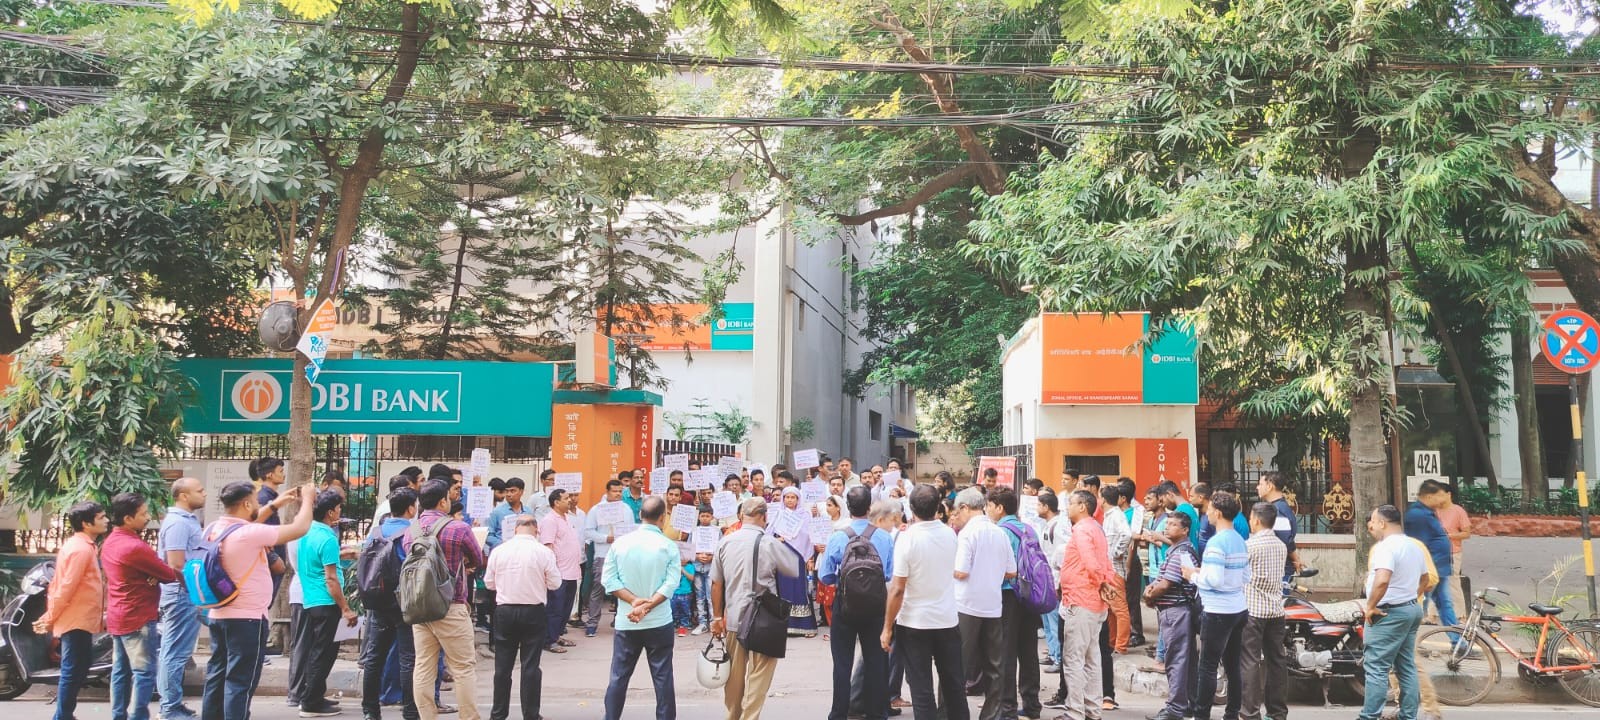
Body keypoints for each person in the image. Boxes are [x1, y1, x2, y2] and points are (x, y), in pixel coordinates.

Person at [201, 483, 315, 720]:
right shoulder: (249, 534)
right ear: (246, 504)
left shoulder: (214, 529)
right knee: (240, 681)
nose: (258, 504)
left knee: (217, 675)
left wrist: (275, 504)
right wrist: (308, 499)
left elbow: (248, 524)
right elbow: (300, 528)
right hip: (247, 619)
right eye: (255, 500)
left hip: (218, 615)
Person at [882, 485, 968, 720]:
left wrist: (887, 627)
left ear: (911, 509)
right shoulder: (949, 534)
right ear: (938, 507)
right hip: (946, 620)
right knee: (954, 686)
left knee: (921, 690)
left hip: (914, 623)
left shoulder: (907, 539)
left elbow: (898, 588)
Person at [711, 498, 802, 720]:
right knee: (759, 675)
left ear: (742, 516)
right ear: (764, 517)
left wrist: (716, 617)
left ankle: (733, 715)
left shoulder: (725, 542)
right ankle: (749, 717)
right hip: (764, 619)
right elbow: (794, 569)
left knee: (734, 676)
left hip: (733, 617)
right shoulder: (770, 543)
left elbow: (716, 584)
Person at [409, 478, 487, 720]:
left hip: (420, 606)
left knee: (424, 666)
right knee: (463, 667)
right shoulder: (458, 528)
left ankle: (427, 716)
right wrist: (464, 562)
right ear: (443, 501)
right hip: (451, 605)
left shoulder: (412, 530)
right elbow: (478, 558)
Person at [818, 487, 897, 720]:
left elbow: (825, 576)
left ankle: (839, 712)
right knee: (875, 661)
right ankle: (876, 712)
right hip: (875, 605)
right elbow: (888, 574)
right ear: (870, 507)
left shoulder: (838, 536)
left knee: (842, 662)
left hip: (845, 605)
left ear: (848, 508)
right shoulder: (884, 537)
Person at [600, 496, 680, 720]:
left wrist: (634, 602)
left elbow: (609, 581)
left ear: (640, 515)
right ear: (663, 518)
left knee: (619, 677)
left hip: (627, 620)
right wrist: (648, 605)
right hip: (659, 621)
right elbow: (671, 583)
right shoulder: (668, 546)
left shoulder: (620, 544)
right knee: (663, 677)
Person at [103, 493, 176, 720]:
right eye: (143, 514)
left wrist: (151, 576)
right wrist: (152, 576)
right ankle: (138, 716)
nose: (147, 518)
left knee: (120, 671)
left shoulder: (110, 542)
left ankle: (118, 715)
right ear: (127, 518)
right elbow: (168, 574)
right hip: (138, 615)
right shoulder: (134, 546)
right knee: (144, 672)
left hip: (118, 614)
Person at [484, 515, 561, 720]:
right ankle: (531, 714)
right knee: (530, 666)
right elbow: (555, 583)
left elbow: (489, 583)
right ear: (536, 530)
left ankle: (498, 714)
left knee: (502, 666)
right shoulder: (543, 552)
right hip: (533, 611)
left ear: (515, 529)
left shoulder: (499, 551)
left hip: (505, 610)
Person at [36, 501, 107, 720]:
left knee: (79, 667)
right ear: (86, 523)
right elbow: (66, 587)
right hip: (76, 619)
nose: (106, 520)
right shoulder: (80, 549)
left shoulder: (83, 546)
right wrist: (50, 617)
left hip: (80, 618)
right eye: (101, 517)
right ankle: (62, 716)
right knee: (73, 668)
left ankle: (64, 715)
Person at [1050, 489, 1116, 720]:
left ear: (1082, 507)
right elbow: (1105, 561)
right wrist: (1105, 583)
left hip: (1081, 600)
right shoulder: (1096, 528)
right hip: (1093, 601)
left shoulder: (1082, 530)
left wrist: (1102, 582)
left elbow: (1091, 561)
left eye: (1071, 503)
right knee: (1091, 658)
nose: (1067, 507)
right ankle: (1092, 710)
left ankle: (1075, 711)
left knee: (1074, 659)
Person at [950, 487, 1016, 720]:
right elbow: (1012, 571)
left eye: (957, 511)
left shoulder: (967, 534)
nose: (956, 516)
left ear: (965, 507)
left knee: (956, 664)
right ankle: (992, 715)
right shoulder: (999, 532)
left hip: (966, 605)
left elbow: (960, 571)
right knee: (994, 666)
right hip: (993, 605)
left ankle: (951, 713)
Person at [1183, 492, 1249, 720]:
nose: (1207, 513)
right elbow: (1245, 576)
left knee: (1208, 667)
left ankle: (1201, 714)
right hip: (1238, 608)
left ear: (1218, 513)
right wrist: (1204, 571)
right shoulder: (1239, 540)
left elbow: (1214, 580)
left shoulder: (1215, 543)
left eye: (1209, 509)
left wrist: (1192, 576)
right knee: (1233, 665)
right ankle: (1232, 713)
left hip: (1217, 610)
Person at [1360, 505, 1430, 720]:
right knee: (1406, 666)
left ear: (1382, 523)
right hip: (1410, 609)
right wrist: (1409, 597)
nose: (1371, 526)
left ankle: (1369, 716)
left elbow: (1382, 580)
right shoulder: (1413, 546)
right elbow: (1426, 579)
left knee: (1376, 667)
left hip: (1388, 614)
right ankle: (1408, 716)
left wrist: (1371, 606)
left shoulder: (1386, 547)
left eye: (1373, 521)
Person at [294, 491, 359, 718]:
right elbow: (331, 579)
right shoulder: (328, 537)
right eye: (339, 508)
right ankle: (310, 702)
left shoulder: (306, 532)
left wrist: (339, 556)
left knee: (316, 651)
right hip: (326, 601)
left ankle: (314, 696)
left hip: (311, 599)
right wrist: (345, 608)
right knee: (323, 654)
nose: (340, 512)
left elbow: (317, 562)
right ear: (330, 512)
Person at [362, 489, 421, 720]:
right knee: (408, 658)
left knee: (374, 657)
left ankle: (370, 711)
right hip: (403, 601)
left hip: (378, 600)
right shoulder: (412, 533)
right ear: (411, 508)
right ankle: (410, 710)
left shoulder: (376, 532)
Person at [990, 487, 1043, 720]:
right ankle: (1032, 705)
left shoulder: (999, 532)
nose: (988, 509)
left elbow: (998, 568)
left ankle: (1007, 708)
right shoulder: (1028, 529)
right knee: (1028, 651)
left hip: (1008, 595)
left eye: (990, 505)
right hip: (1029, 595)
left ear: (1000, 508)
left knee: (1006, 652)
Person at [1141, 513, 1198, 720]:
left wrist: (1150, 595)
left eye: (1173, 525)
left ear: (1185, 530)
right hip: (1174, 611)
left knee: (1176, 661)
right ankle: (1189, 704)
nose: (1167, 527)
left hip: (1176, 611)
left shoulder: (1181, 553)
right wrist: (1151, 591)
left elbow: (1165, 584)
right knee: (1184, 660)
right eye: (1167, 524)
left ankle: (1175, 708)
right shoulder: (1175, 550)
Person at [158, 478, 207, 720]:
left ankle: (172, 704)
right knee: (175, 653)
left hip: (184, 593)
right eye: (199, 490)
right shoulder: (178, 523)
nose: (204, 494)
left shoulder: (187, 520)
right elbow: (176, 564)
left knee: (176, 651)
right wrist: (193, 591)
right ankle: (170, 708)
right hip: (181, 594)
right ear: (184, 496)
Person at [1239, 502, 1288, 720]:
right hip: (1276, 610)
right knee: (1276, 661)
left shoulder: (1249, 546)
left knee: (1250, 661)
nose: (1250, 522)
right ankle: (1277, 712)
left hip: (1253, 610)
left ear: (1257, 520)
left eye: (1250, 518)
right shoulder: (1281, 545)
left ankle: (1250, 713)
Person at [767, 484, 818, 636]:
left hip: (798, 557)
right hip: (782, 556)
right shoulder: (779, 514)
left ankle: (805, 626)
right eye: (787, 497)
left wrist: (809, 557)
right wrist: (777, 539)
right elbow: (768, 535)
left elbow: (809, 537)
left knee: (799, 589)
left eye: (793, 497)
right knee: (783, 589)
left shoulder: (805, 515)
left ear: (798, 499)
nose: (790, 500)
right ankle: (785, 625)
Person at [539, 489, 583, 654]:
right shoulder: (550, 520)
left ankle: (556, 636)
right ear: (556, 502)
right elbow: (547, 547)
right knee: (555, 609)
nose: (570, 500)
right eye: (566, 498)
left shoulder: (566, 518)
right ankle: (548, 640)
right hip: (559, 573)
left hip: (572, 572)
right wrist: (551, 571)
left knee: (566, 608)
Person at [1407, 481, 1456, 631]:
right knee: (1418, 606)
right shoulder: (1418, 515)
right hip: (1430, 570)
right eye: (1440, 496)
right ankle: (1406, 640)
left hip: (1439, 568)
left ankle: (1458, 640)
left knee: (1444, 603)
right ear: (1429, 496)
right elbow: (1418, 545)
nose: (1443, 500)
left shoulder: (1427, 513)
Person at [585, 479, 628, 637]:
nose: (617, 494)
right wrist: (605, 538)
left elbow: (631, 531)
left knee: (623, 590)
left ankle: (621, 622)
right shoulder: (597, 510)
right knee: (598, 589)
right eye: (614, 491)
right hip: (603, 554)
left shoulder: (626, 509)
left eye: (620, 491)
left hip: (622, 554)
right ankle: (592, 623)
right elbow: (588, 531)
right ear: (607, 492)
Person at [1037, 491, 1065, 673]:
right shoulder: (1048, 526)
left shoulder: (1057, 527)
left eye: (1039, 505)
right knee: (1047, 621)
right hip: (1046, 579)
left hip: (1053, 581)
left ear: (1046, 507)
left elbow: (1060, 557)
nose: (1036, 508)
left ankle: (1058, 658)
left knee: (1054, 622)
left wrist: (1058, 583)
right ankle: (1053, 653)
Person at [1255, 472, 1300, 583]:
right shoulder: (1279, 507)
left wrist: (1296, 560)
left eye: (1260, 484)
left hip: (1279, 568)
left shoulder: (1277, 510)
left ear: (1270, 486)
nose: (1257, 487)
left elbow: (1285, 540)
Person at [1436, 483, 1471, 620]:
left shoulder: (1458, 511)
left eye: (1440, 494)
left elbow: (1467, 533)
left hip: (1452, 552)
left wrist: (1449, 536)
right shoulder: (1434, 511)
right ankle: (1432, 615)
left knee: (1453, 582)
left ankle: (1461, 615)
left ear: (1448, 494)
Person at [485, 477, 528, 552]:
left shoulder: (528, 512)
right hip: (501, 552)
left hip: (523, 552)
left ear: (521, 492)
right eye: (507, 491)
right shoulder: (496, 512)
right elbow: (488, 535)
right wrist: (503, 545)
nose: (508, 494)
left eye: (512, 491)